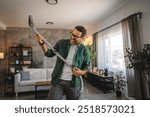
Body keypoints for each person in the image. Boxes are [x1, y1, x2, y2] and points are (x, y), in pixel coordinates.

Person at [35, 26, 90, 100]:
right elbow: (48, 53)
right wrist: (41, 43)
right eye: (72, 34)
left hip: (73, 83)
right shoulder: (61, 43)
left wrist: (81, 72)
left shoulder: (84, 50)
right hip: (57, 81)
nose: (72, 37)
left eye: (76, 36)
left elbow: (86, 66)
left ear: (82, 38)